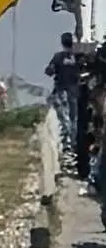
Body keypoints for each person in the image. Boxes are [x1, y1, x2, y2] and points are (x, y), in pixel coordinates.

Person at [45, 32, 83, 174]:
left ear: (62, 42)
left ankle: (68, 148)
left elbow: (49, 71)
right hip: (74, 92)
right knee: (74, 120)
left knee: (64, 120)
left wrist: (53, 70)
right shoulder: (78, 57)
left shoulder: (58, 57)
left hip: (61, 91)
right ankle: (72, 148)